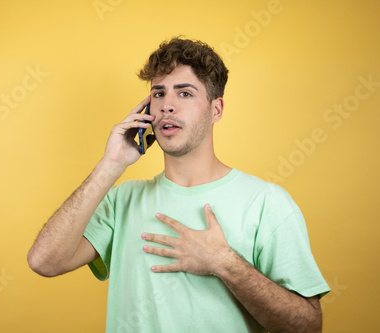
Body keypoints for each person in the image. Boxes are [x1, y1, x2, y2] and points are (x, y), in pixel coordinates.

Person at [27, 37, 330, 333]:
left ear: (216, 109)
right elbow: (45, 261)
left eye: (184, 94)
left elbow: (307, 326)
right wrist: (111, 164)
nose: (167, 106)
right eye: (158, 94)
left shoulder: (267, 202)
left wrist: (225, 263)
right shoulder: (122, 201)